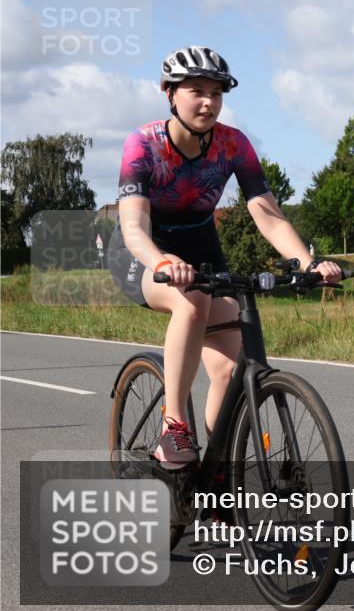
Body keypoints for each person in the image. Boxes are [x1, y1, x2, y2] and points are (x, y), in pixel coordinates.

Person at [109, 45, 341, 469]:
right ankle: (174, 426)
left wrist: (308, 262)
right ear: (169, 93)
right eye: (196, 90)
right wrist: (163, 263)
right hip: (141, 253)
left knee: (230, 359)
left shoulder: (233, 144)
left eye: (216, 93)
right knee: (192, 298)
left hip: (200, 249)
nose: (208, 102)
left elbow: (268, 216)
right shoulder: (142, 144)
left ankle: (216, 481)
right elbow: (134, 229)